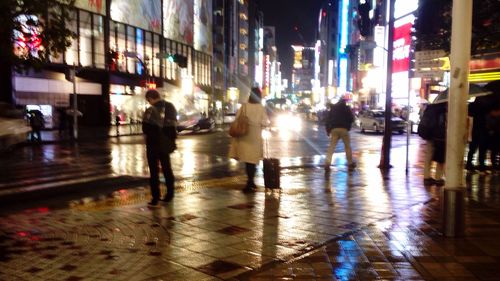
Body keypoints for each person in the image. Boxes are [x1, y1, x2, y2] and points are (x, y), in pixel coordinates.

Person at [229, 87, 270, 193]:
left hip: (245, 135)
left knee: (248, 161)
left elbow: (237, 118)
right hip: (255, 137)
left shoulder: (244, 106)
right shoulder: (260, 108)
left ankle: (250, 182)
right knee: (253, 160)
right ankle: (251, 182)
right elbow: (265, 122)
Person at [142, 89, 177, 207]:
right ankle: (170, 195)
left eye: (148, 100)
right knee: (167, 168)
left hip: (153, 144)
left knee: (154, 171)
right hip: (165, 143)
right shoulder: (170, 106)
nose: (149, 102)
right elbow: (173, 125)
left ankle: (155, 198)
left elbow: (145, 129)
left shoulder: (150, 111)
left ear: (150, 98)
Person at [324, 98, 356, 172]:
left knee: (331, 147)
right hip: (344, 129)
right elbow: (351, 118)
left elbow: (328, 120)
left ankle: (327, 163)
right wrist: (348, 126)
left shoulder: (333, 109)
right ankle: (350, 163)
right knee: (347, 146)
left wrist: (328, 130)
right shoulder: (346, 108)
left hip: (334, 129)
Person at [420, 103, 447, 185]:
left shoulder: (430, 108)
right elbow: (443, 124)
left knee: (429, 155)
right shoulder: (443, 110)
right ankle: (438, 178)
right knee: (441, 157)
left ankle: (426, 177)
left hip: (429, 134)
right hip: (439, 136)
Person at [465, 101, 489, 171]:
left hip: (474, 131)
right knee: (481, 150)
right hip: (481, 131)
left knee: (472, 150)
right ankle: (481, 165)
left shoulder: (471, 107)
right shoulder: (484, 108)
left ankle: (469, 165)